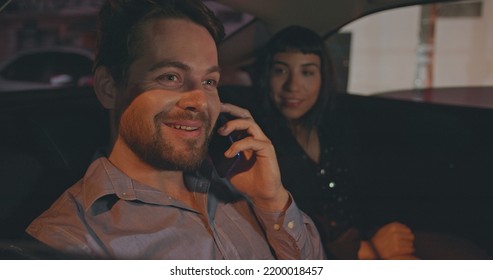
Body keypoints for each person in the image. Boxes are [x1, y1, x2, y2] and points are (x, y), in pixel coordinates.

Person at [25, 1, 324, 260]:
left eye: (209, 82)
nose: (200, 101)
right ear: (109, 88)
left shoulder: (241, 187)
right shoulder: (69, 240)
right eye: (170, 77)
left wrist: (272, 200)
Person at [252, 25, 417, 260]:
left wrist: (379, 235)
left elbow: (372, 193)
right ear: (266, 76)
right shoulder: (260, 145)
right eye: (280, 71)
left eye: (307, 72)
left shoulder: (338, 128)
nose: (293, 86)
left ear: (323, 77)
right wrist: (362, 251)